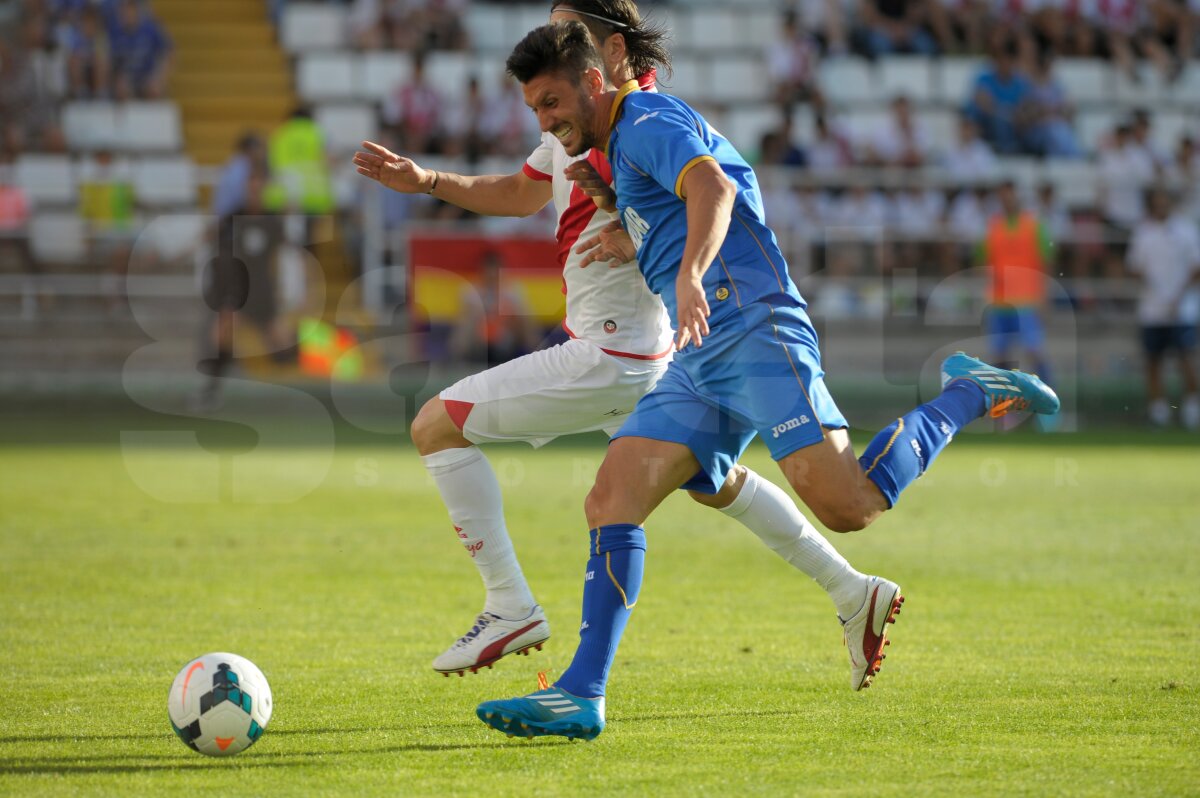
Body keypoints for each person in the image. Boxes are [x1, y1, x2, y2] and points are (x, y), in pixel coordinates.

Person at [476, 21, 1059, 741]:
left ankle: (970, 389)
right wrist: (629, 229)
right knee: (611, 498)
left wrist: (688, 274)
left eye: (552, 101)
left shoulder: (648, 119)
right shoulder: (621, 144)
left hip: (754, 328)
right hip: (699, 355)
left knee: (849, 507)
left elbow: (715, 188)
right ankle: (581, 693)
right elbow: (678, 206)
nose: (545, 120)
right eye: (534, 108)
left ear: (594, 80)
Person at [354, 1, 896, 692]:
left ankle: (512, 608)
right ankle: (853, 591)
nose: (555, 37)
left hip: (615, 353)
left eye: (570, 27)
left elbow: (705, 196)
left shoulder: (633, 123)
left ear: (607, 51)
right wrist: (429, 181)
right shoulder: (576, 124)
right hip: (649, 355)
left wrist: (652, 245)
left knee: (436, 424)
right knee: (716, 482)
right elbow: (521, 193)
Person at [1126, 188, 1200, 429]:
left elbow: (1196, 267)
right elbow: (1134, 266)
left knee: (1185, 358)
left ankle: (1192, 409)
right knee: (1153, 360)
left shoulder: (1186, 230)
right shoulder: (1143, 232)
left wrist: (1178, 295)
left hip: (1183, 308)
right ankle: (1158, 410)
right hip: (1152, 308)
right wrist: (1154, 286)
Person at [977, 180, 1055, 385]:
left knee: (1034, 350)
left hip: (1026, 300)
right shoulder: (993, 226)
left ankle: (1049, 396)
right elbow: (985, 261)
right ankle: (1004, 401)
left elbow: (1046, 262)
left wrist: (1044, 297)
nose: (1007, 199)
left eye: (1009, 194)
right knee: (999, 355)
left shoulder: (1034, 226)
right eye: (1003, 195)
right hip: (999, 301)